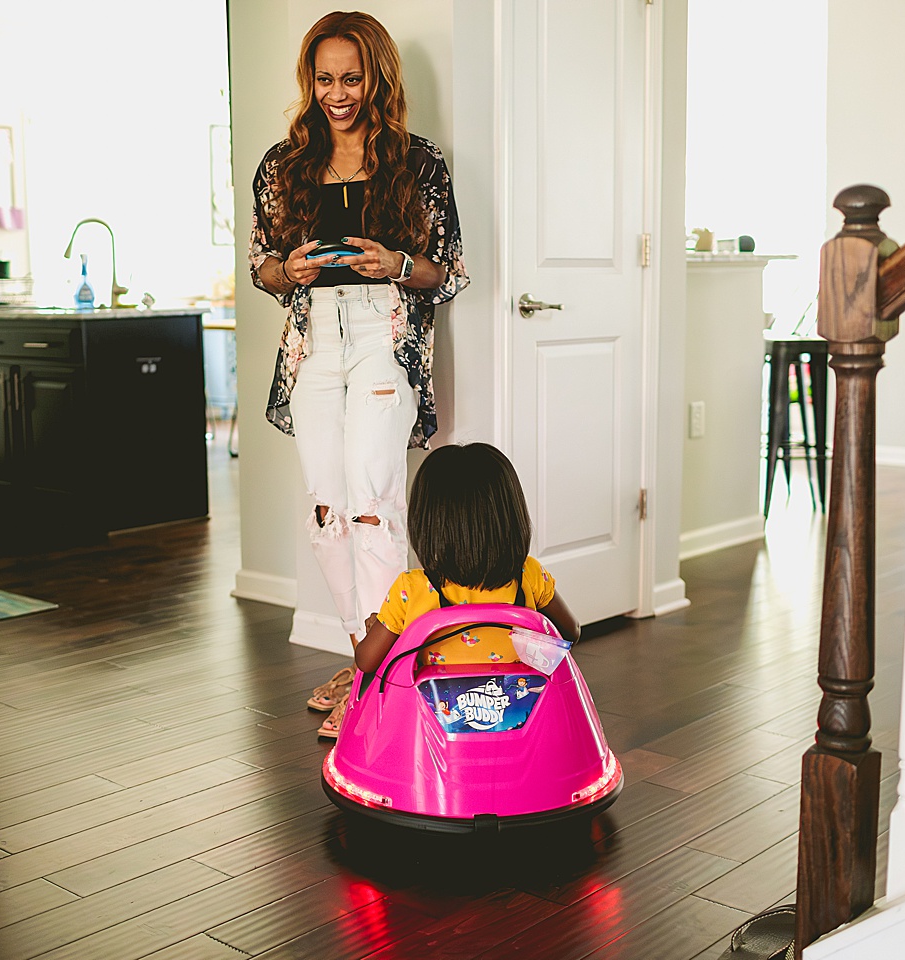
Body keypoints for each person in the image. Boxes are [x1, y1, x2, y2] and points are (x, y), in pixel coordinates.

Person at [247, 10, 469, 737]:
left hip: (385, 331)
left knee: (373, 500)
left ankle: (382, 680)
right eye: (324, 78)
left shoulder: (420, 162)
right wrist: (290, 270)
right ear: (309, 82)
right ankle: (365, 657)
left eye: (351, 77)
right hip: (313, 339)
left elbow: (450, 270)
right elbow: (261, 267)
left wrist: (398, 265)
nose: (337, 93)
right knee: (327, 507)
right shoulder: (284, 165)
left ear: (376, 78)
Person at [354, 442, 579, 679]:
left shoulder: (411, 588)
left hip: (432, 714)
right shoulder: (528, 574)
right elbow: (571, 632)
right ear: (511, 518)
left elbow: (366, 661)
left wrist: (375, 628)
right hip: (525, 710)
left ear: (427, 524)